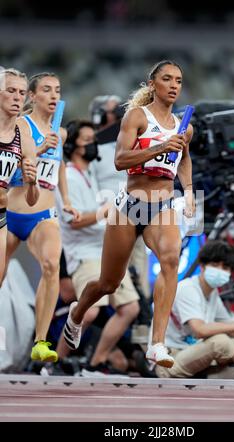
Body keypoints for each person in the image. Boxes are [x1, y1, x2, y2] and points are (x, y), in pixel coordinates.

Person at [63, 60, 195, 368]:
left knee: (171, 260)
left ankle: (157, 343)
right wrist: (159, 146)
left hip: (162, 204)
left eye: (178, 80)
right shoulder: (137, 116)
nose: (174, 85)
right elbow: (120, 160)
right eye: (167, 79)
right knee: (109, 283)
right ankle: (76, 313)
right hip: (129, 205)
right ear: (152, 84)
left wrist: (188, 190)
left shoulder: (183, 126)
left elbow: (184, 159)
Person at [5, 72, 79, 363]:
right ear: (32, 96)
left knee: (51, 266)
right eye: (46, 90)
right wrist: (38, 149)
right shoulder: (20, 125)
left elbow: (58, 167)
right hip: (10, 212)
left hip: (43, 213)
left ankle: (40, 341)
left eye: (57, 90)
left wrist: (67, 199)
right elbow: (11, 166)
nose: (53, 96)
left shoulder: (60, 133)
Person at [56, 119, 140, 375]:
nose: (94, 144)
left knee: (130, 309)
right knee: (90, 313)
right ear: (73, 146)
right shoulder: (68, 176)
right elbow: (74, 220)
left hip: (105, 253)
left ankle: (96, 362)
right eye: (88, 140)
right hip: (84, 255)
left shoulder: (89, 175)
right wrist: (104, 212)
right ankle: (54, 362)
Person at [153, 239, 234, 379]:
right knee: (220, 342)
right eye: (215, 265)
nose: (219, 271)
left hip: (190, 353)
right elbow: (200, 330)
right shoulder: (187, 288)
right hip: (169, 360)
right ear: (202, 266)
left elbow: (229, 324)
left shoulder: (212, 293)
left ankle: (213, 373)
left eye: (225, 268)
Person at [0, 68, 39, 282]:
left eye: (22, 92)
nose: (17, 97)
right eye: (11, 90)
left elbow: (32, 200)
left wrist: (32, 182)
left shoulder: (24, 137)